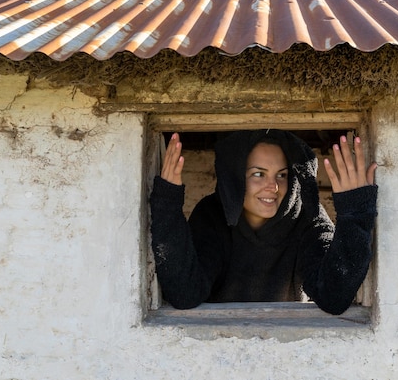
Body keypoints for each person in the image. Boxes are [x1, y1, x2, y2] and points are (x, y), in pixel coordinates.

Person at [149, 129, 377, 315]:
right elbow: (185, 292)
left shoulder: (308, 217)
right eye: (258, 174)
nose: (273, 187)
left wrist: (355, 212)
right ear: (236, 178)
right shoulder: (212, 214)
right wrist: (167, 204)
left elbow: (333, 296)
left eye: (282, 175)